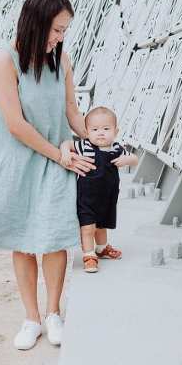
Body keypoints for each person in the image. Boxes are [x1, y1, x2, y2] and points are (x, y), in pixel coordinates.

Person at [0, 0, 95, 351]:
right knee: (23, 240)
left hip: (57, 155)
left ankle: (54, 312)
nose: (60, 37)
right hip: (21, 158)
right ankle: (31, 318)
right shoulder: (4, 60)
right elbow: (16, 125)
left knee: (54, 235)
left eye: (65, 30)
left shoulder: (62, 60)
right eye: (57, 29)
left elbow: (71, 112)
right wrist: (58, 154)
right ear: (36, 24)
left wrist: (99, 136)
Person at [59, 106, 138, 273]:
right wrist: (65, 152)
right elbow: (67, 143)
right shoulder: (85, 146)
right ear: (87, 132)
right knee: (88, 227)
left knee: (102, 225)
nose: (100, 133)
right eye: (95, 129)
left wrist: (127, 159)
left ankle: (101, 248)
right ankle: (88, 255)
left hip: (107, 197)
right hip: (86, 198)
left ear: (115, 131)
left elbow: (135, 158)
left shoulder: (117, 148)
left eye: (106, 129)